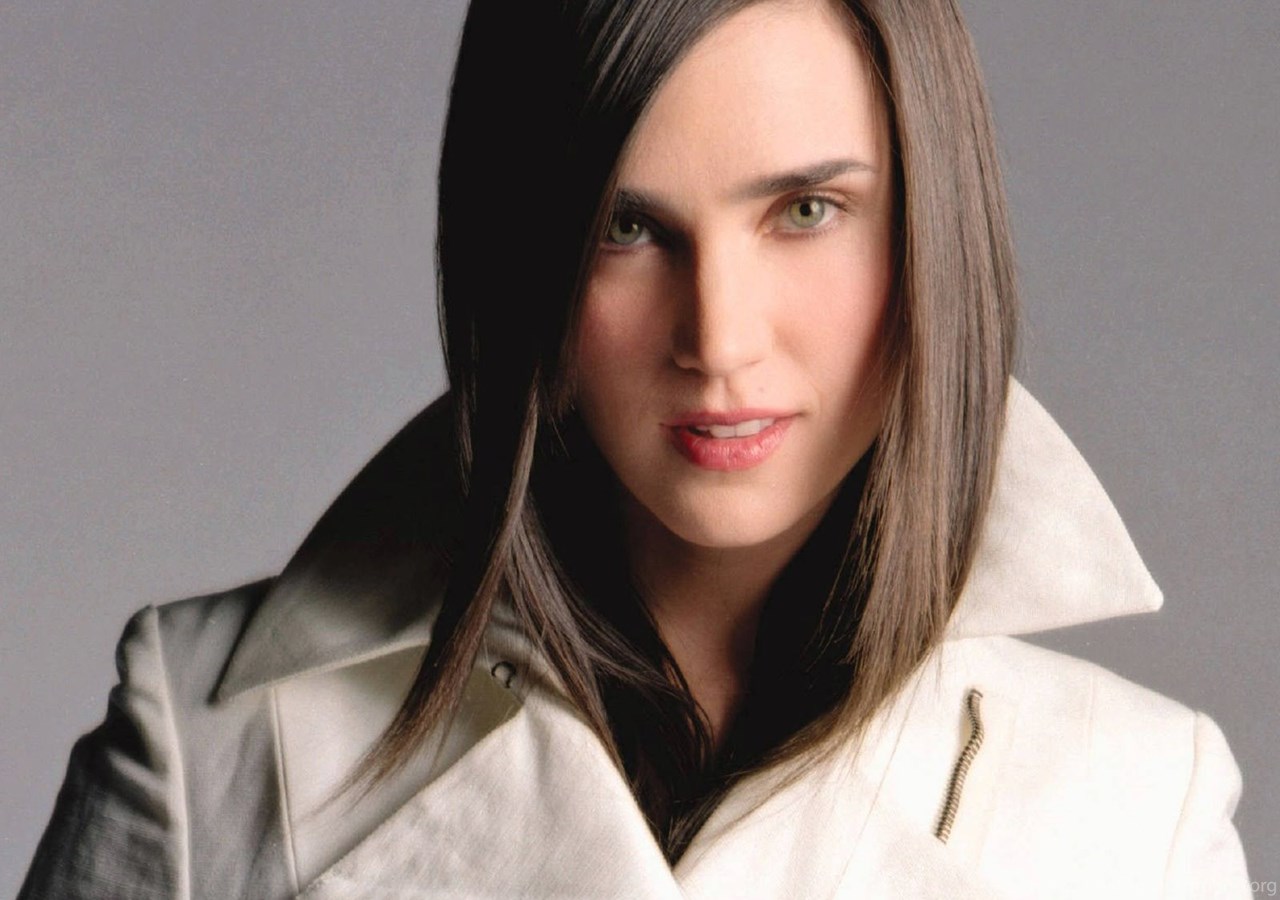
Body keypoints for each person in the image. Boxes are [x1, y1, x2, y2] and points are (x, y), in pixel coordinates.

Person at [20, 0, 1251, 897]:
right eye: (624, 227)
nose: (718, 337)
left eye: (805, 211)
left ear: (932, 230)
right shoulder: (214, 741)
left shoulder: (1137, 806)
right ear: (522, 263)